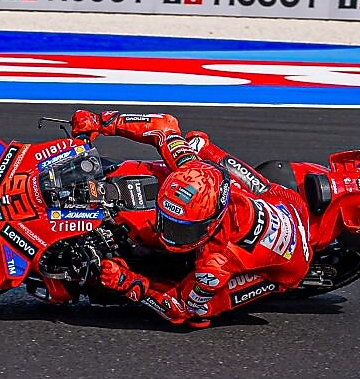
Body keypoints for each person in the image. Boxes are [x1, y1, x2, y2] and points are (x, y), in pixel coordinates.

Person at [70, 110, 312, 328]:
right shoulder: (192, 167)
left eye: (180, 230)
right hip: (278, 199)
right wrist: (102, 122)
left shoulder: (215, 263)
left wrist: (129, 283)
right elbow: (163, 126)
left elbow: (181, 310)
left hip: (288, 265)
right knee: (197, 142)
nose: (168, 235)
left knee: (203, 312)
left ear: (210, 224)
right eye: (168, 222)